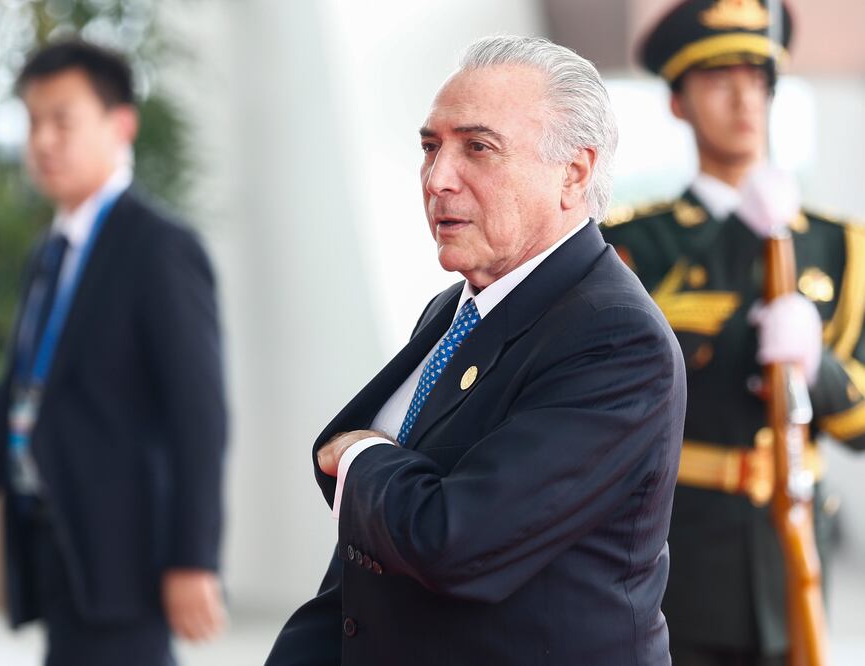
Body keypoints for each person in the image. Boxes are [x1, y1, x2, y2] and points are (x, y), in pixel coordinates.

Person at [266, 35, 686, 666]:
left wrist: (362, 456)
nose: (438, 180)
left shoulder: (615, 337)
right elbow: (372, 565)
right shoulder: (456, 307)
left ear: (574, 173)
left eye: (478, 148)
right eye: (430, 147)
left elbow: (453, 541)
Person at [0, 39, 228, 666]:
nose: (42, 140)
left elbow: (199, 418)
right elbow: (13, 404)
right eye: (33, 120)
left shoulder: (158, 248)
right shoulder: (49, 255)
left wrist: (192, 559)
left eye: (62, 120)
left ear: (120, 124)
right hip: (56, 543)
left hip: (124, 558)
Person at [601, 1, 865, 664]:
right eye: (718, 79)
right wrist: (739, 234)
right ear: (676, 102)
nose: (743, 99)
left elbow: (859, 426)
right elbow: (629, 383)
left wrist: (816, 369)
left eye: (757, 79)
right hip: (679, 552)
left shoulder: (837, 245)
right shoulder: (633, 244)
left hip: (793, 546)